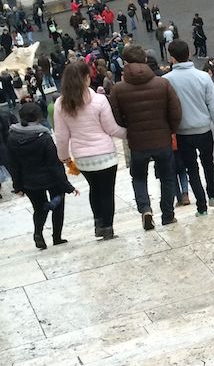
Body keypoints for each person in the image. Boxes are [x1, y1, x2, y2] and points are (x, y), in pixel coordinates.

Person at [109, 46, 182, 230]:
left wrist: (130, 127)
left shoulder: (118, 89)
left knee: (139, 177)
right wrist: (169, 130)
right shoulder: (162, 84)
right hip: (162, 139)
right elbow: (176, 112)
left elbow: (116, 117)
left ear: (125, 63)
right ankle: (167, 215)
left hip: (137, 142)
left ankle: (145, 209)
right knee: (167, 177)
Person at [54, 60, 126, 240]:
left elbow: (62, 136)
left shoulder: (60, 104)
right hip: (105, 155)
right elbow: (111, 129)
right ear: (86, 78)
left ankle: (98, 223)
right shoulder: (99, 100)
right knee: (107, 191)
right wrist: (130, 134)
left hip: (83, 158)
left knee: (94, 189)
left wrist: (64, 157)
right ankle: (108, 228)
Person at [164, 40, 214, 217]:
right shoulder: (203, 77)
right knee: (208, 163)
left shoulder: (166, 81)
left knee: (192, 169)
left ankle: (201, 206)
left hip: (183, 133)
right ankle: (213, 194)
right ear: (189, 53)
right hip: (204, 129)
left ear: (172, 58)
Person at [7, 102, 77, 248]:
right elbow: (54, 165)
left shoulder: (12, 137)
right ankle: (57, 237)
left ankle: (38, 233)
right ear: (39, 117)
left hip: (29, 181)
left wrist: (18, 185)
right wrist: (67, 186)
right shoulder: (44, 137)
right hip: (51, 180)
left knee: (39, 208)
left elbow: (14, 165)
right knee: (58, 205)